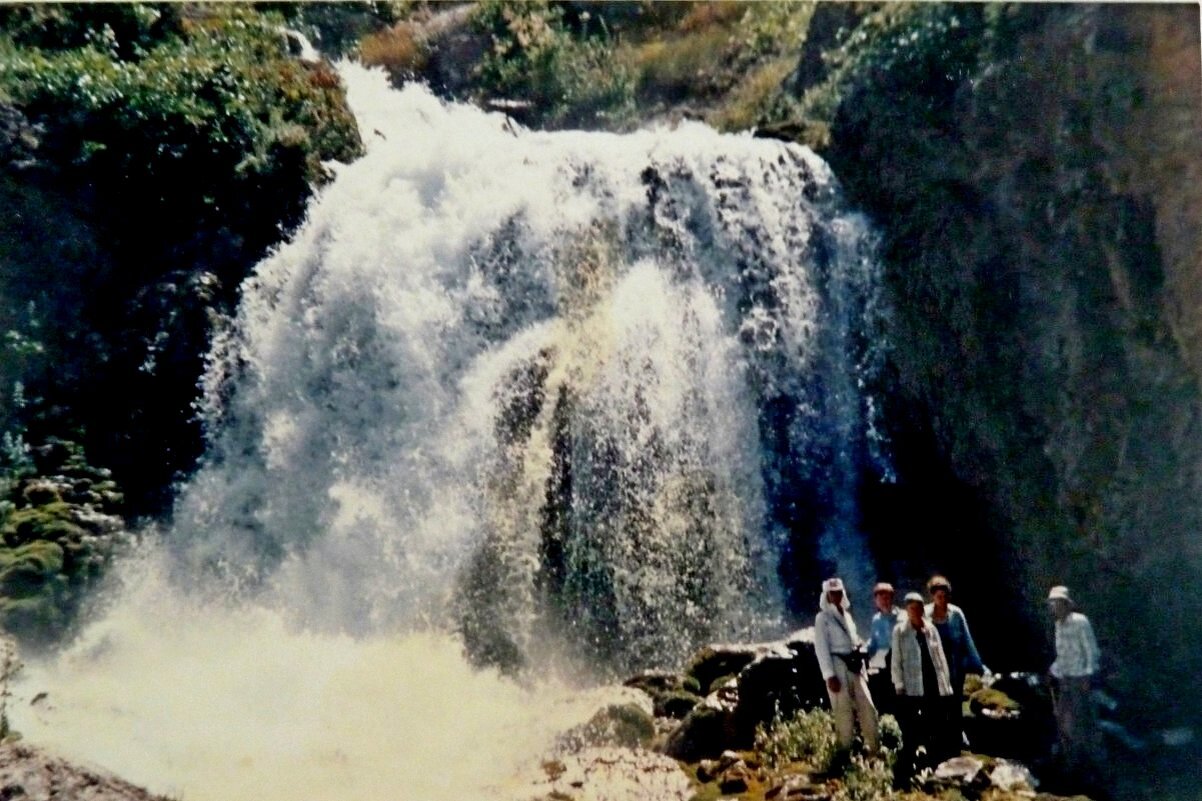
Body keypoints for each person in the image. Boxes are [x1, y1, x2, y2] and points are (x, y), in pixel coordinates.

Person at [891, 592, 957, 785]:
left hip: (933, 683)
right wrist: (899, 685)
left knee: (936, 724)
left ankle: (936, 766)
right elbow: (896, 660)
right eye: (912, 608)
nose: (916, 611)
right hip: (913, 687)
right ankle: (907, 771)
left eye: (919, 607)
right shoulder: (900, 631)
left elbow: (941, 657)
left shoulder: (931, 629)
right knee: (912, 727)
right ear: (906, 610)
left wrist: (946, 684)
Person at [814, 576, 880, 763]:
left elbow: (854, 641)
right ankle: (844, 754)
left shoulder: (848, 616)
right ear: (826, 595)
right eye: (832, 593)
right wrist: (829, 675)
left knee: (868, 707)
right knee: (843, 712)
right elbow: (821, 648)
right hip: (837, 666)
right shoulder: (822, 618)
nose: (836, 595)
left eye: (838, 592)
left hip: (855, 667)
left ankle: (874, 751)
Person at [1047, 585, 1101, 784]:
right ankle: (1069, 761)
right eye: (1052, 604)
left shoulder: (1080, 622)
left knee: (1081, 722)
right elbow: (1062, 655)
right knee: (1062, 719)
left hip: (1080, 679)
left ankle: (1088, 767)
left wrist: (1088, 676)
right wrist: (1053, 671)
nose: (1054, 607)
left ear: (1066, 604)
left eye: (1058, 603)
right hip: (1066, 679)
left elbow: (1091, 651)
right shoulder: (1058, 626)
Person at [866, 581, 901, 715]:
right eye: (880, 599)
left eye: (887, 598)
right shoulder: (876, 619)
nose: (884, 602)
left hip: (900, 663)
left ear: (892, 598)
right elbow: (873, 643)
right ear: (876, 601)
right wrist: (863, 650)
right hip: (882, 664)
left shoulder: (902, 617)